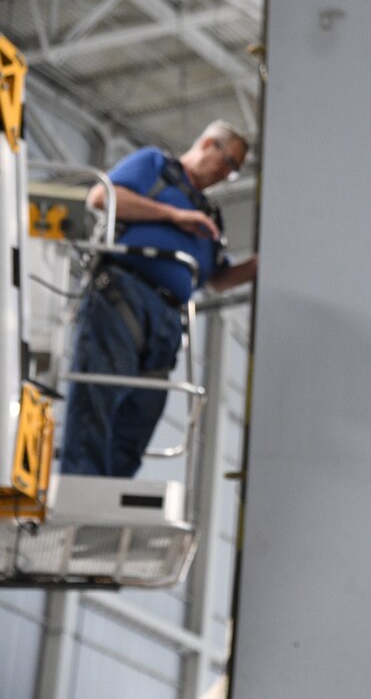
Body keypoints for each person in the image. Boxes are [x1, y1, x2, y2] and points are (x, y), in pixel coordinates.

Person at [60, 120, 258, 477]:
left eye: (234, 172)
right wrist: (172, 215)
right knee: (99, 397)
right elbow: (101, 197)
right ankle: (80, 487)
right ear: (208, 143)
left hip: (167, 320)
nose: (227, 174)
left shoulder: (210, 216)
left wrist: (263, 264)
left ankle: (108, 502)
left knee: (140, 414)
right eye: (228, 163)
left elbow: (218, 280)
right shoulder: (156, 167)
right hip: (123, 295)